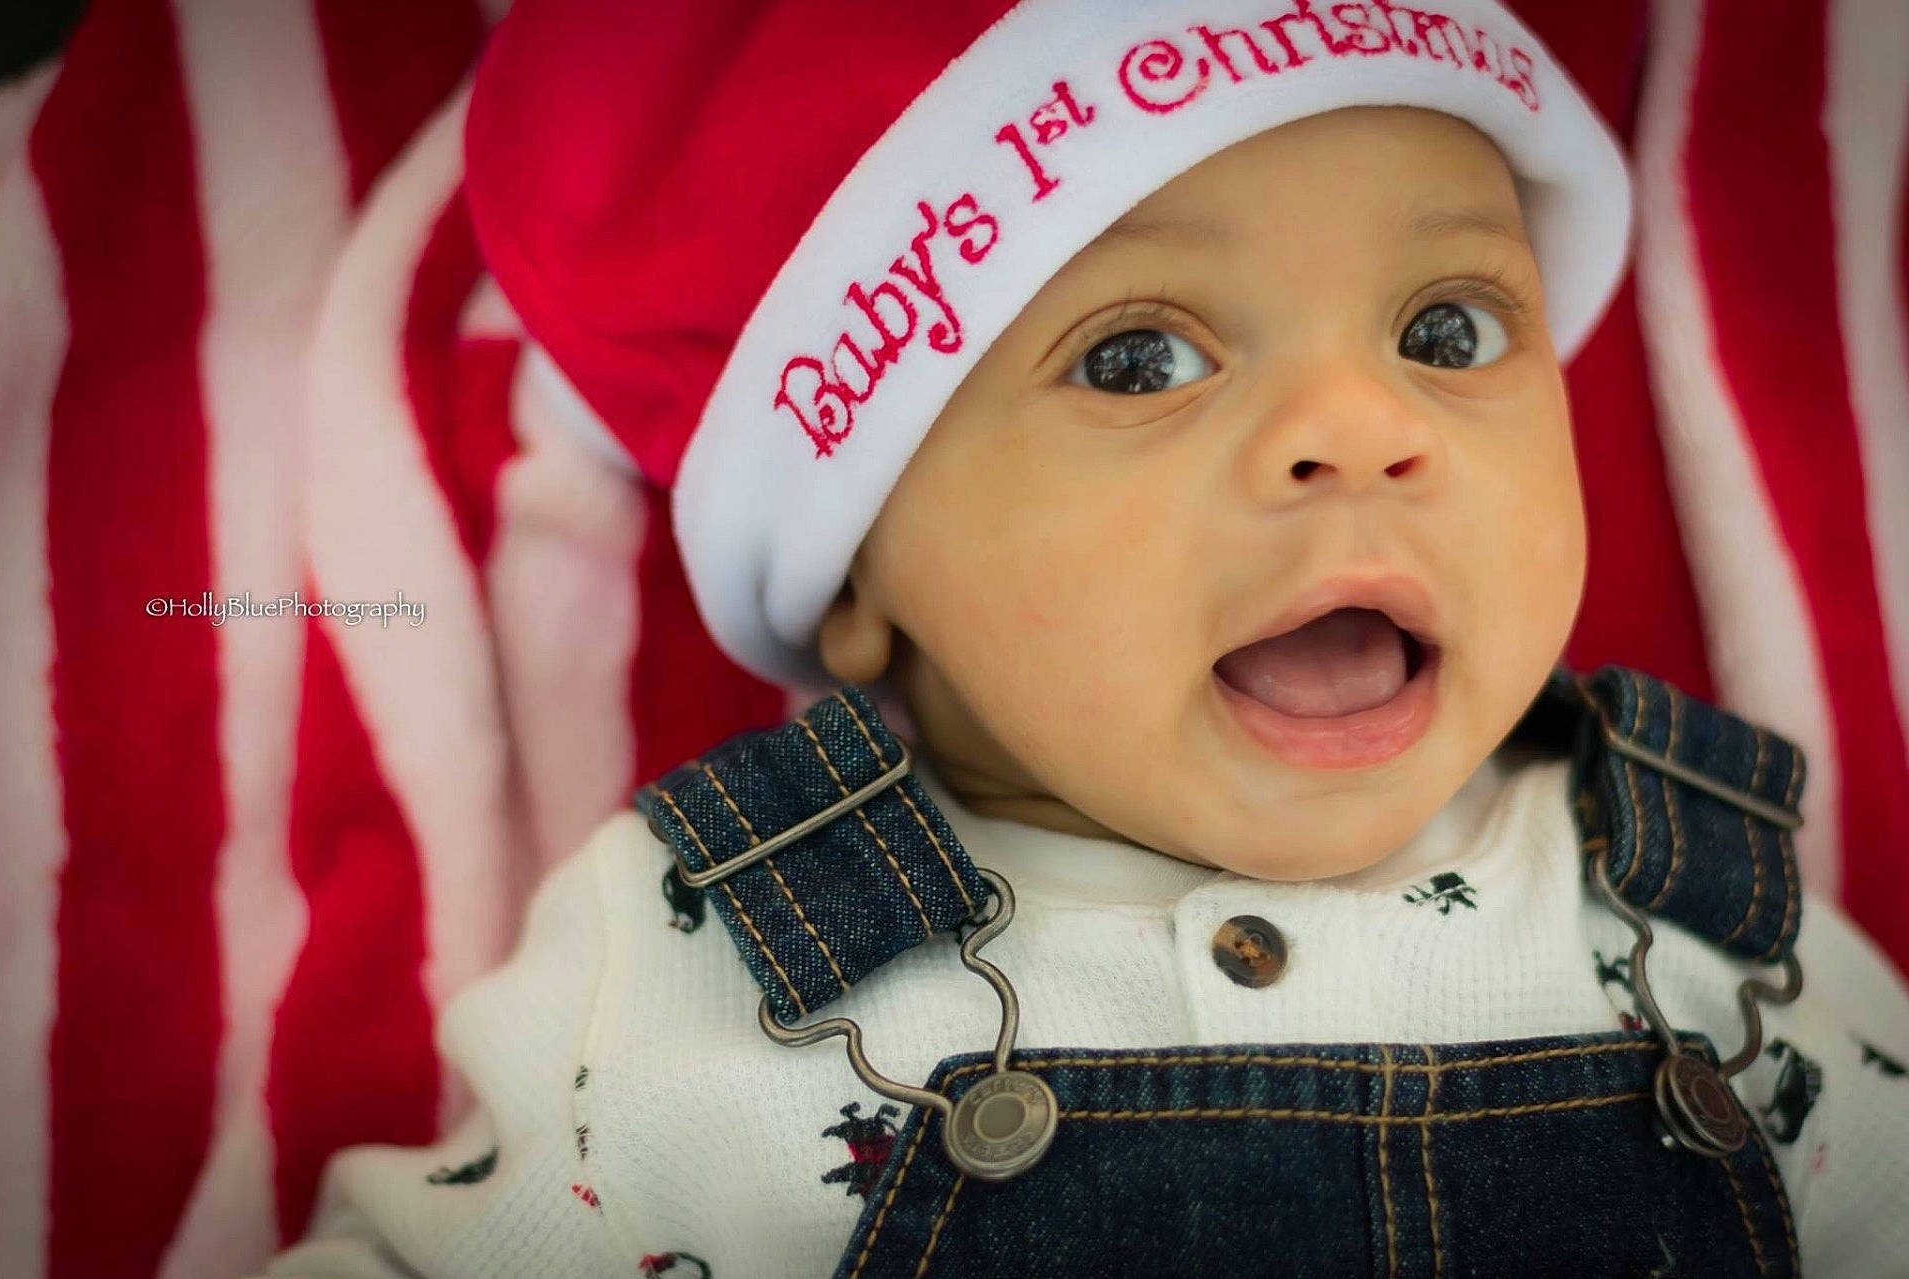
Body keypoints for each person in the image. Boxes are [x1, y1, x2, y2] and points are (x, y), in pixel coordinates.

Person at [264, 1, 1909, 1274]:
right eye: (1141, 361)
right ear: (852, 571)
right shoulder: (721, 967)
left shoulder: (1691, 912)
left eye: (1447, 328)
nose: (1361, 425)